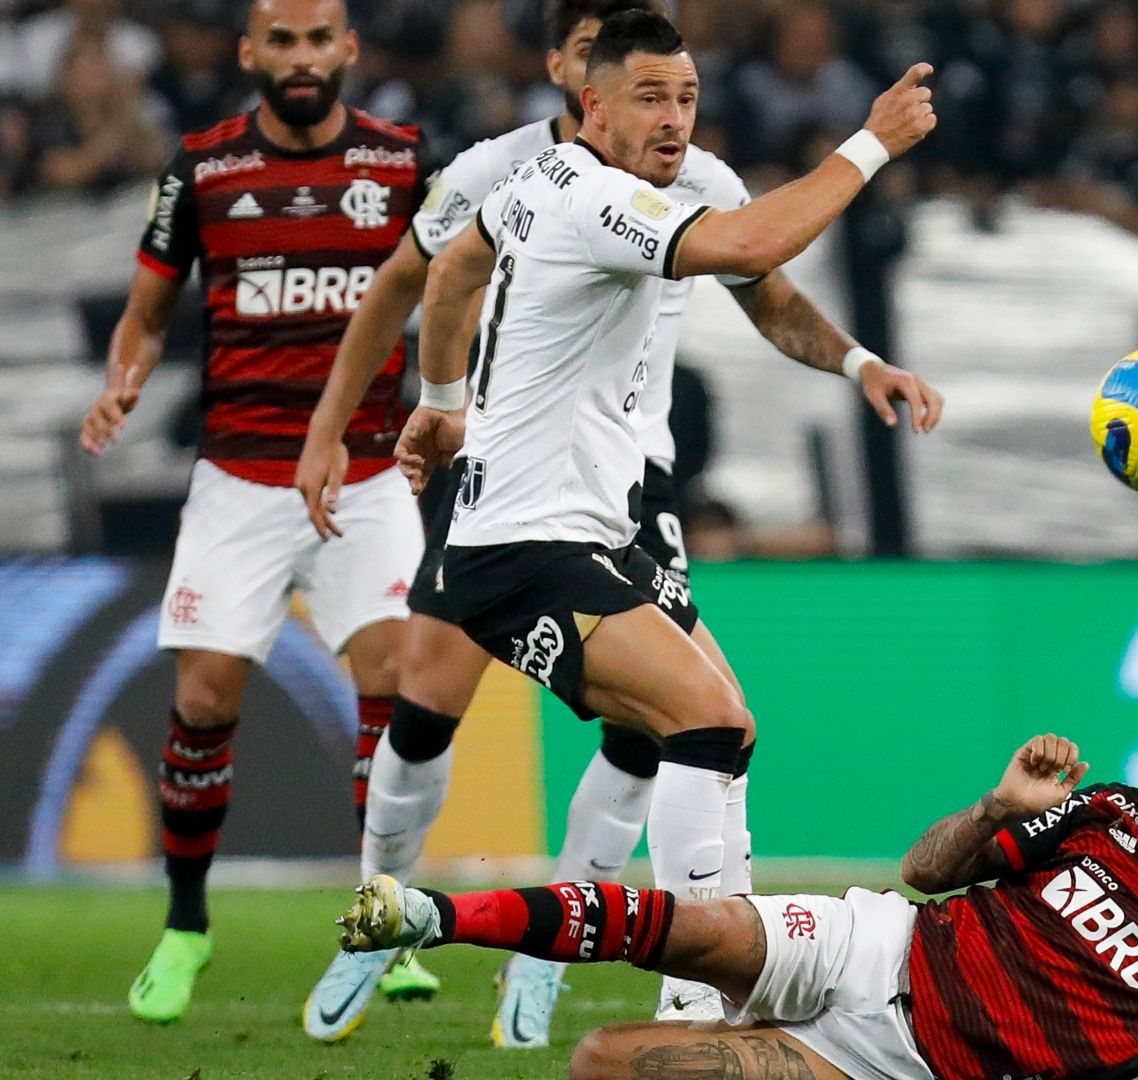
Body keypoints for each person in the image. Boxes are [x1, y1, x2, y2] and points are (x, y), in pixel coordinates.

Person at [295, 0, 943, 1046]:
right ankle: (692, 992)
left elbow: (464, 269)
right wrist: (873, 142)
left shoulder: (560, 181)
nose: (674, 117)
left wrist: (444, 399)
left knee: (718, 725)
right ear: (587, 103)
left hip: (600, 519)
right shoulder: (592, 196)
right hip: (528, 539)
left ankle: (730, 979)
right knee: (683, 724)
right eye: (650, 97)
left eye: (686, 96)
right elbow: (754, 237)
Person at [338, 703, 1138, 1080]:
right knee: (685, 929)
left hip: (900, 1066)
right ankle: (435, 914)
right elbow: (926, 872)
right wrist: (998, 810)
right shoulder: (1110, 811)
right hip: (874, 946)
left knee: (609, 1064)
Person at [76, 0, 431, 1024]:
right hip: (240, 479)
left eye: (321, 40)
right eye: (284, 41)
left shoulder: (405, 164)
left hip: (364, 478)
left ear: (350, 50)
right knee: (204, 701)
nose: (304, 58)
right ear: (250, 54)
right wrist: (124, 383)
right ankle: (187, 924)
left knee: (397, 681)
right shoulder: (202, 170)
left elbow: (458, 289)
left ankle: (386, 915)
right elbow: (148, 310)